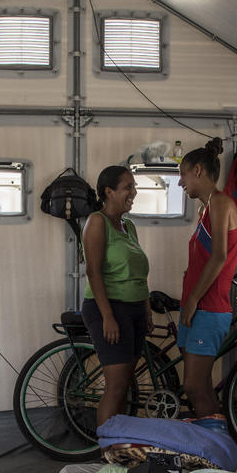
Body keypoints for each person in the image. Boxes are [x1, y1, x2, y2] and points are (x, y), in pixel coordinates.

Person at [80, 166, 151, 427]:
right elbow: (93, 271)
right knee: (116, 387)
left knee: (124, 388)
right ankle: (106, 455)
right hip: (109, 309)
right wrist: (108, 316)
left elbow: (139, 274)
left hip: (133, 310)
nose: (134, 192)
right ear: (108, 192)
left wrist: (146, 308)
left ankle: (118, 448)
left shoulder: (129, 226)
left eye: (134, 187)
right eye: (128, 187)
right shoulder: (97, 222)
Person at [177, 138, 237, 417]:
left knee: (194, 387)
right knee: (198, 384)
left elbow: (219, 257)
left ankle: (218, 449)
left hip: (209, 307)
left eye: (183, 175)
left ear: (199, 171)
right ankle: (209, 445)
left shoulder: (220, 202)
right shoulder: (206, 209)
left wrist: (192, 300)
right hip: (196, 306)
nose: (181, 183)